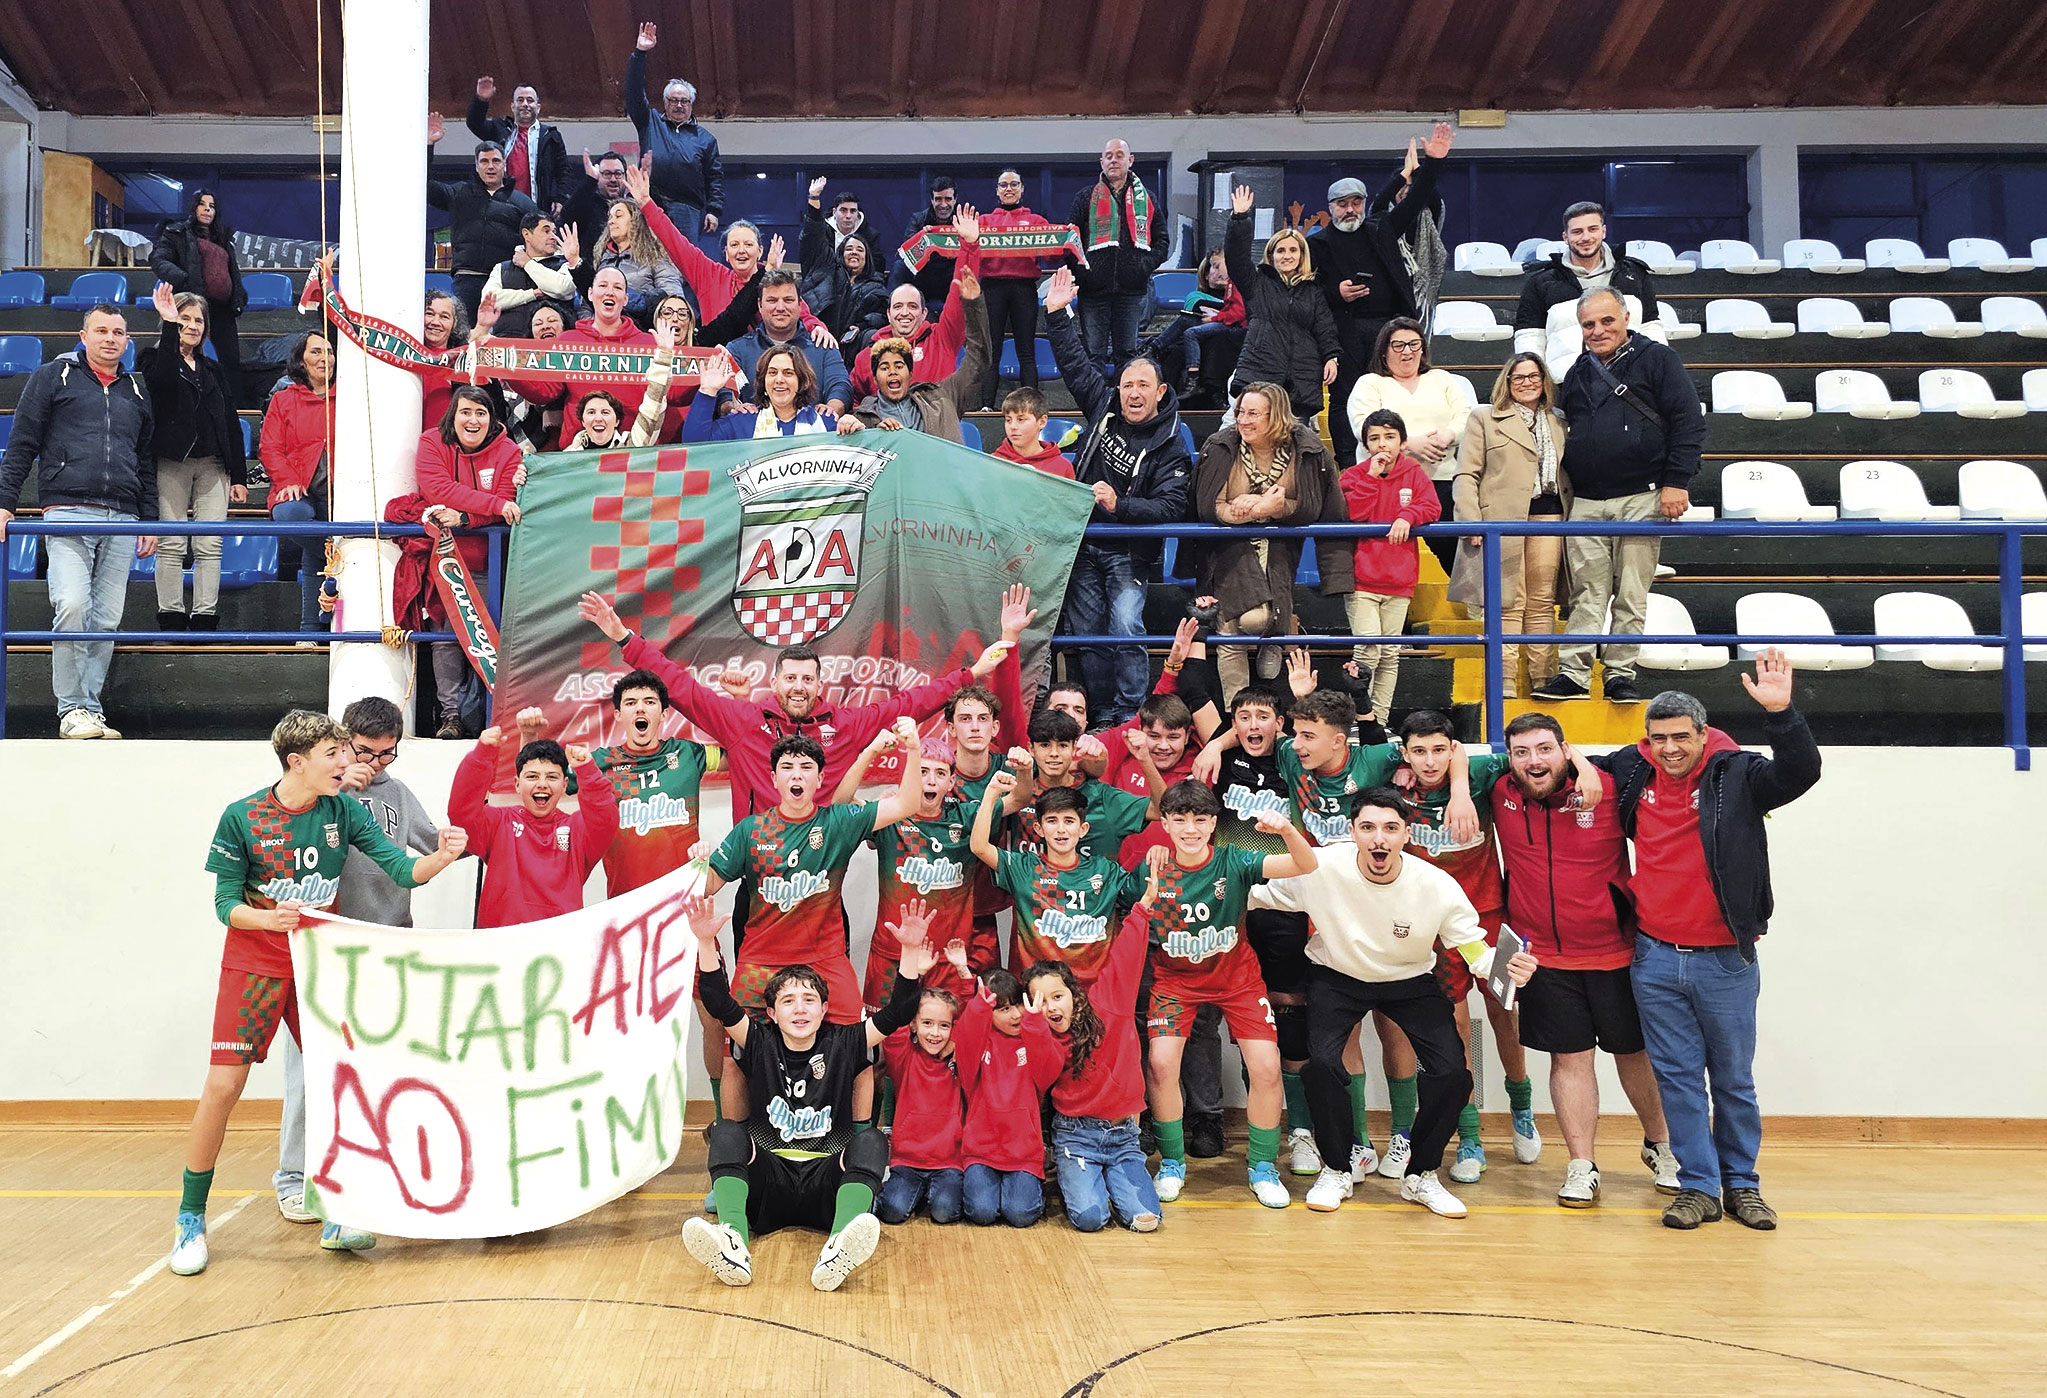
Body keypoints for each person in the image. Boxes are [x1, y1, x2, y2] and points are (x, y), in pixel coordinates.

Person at [174, 710, 466, 1276]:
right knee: (224, 1084)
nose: (347, 763)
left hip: (316, 965)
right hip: (255, 966)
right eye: (334, 754)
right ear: (297, 762)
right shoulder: (242, 816)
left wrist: (443, 856)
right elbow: (224, 907)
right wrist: (268, 921)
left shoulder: (344, 810)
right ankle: (190, 1218)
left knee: (340, 1082)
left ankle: (338, 1207)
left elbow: (403, 870)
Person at [1586, 654, 1820, 1231]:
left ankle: (1743, 1185)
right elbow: (1566, 764)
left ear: (1702, 733)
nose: (1668, 749)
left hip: (1726, 961)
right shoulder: (1634, 770)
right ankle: (1697, 1186)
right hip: (1655, 959)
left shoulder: (1737, 773)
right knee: (1678, 1079)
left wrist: (1781, 712)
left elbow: (1801, 772)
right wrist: (1573, 758)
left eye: (1679, 738)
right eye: (1658, 738)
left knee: (1734, 1081)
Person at [1253, 786, 1536, 1217]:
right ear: (1352, 832)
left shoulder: (1436, 885)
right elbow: (1249, 889)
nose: (1378, 839)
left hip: (1410, 980)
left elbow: (1475, 951)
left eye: (1390, 828)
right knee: (1323, 1066)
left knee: (1452, 1073)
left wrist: (1510, 969)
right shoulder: (1321, 866)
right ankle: (1337, 1168)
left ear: (1407, 834)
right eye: (1367, 828)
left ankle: (1421, 1175)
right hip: (1335, 977)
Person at [577, 589, 1016, 820]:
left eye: (808, 679)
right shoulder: (743, 721)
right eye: (791, 679)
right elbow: (680, 685)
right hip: (758, 869)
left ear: (820, 684)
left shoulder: (846, 725)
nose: (799, 687)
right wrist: (623, 638)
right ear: (776, 682)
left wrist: (970, 674)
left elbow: (912, 702)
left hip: (824, 868)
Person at [679, 890, 927, 1291]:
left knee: (872, 1144)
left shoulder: (845, 1042)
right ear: (772, 1013)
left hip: (825, 1184)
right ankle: (734, 1241)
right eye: (789, 1001)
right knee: (725, 1132)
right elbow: (717, 1000)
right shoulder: (758, 1041)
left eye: (810, 1000)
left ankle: (838, 1244)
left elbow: (899, 1011)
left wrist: (911, 953)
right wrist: (706, 943)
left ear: (824, 1011)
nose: (800, 1008)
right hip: (770, 1181)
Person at [1493, 712, 1680, 1206]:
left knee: (1635, 1056)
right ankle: (1581, 1164)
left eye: (1545, 749)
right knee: (1568, 1059)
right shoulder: (1499, 792)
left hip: (1618, 952)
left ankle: (1661, 1146)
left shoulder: (1613, 788)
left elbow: (1648, 751)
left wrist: (1585, 765)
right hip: (1542, 959)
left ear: (1565, 749)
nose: (1534, 761)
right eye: (1522, 752)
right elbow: (1441, 761)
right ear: (1509, 759)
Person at [273, 696, 443, 1224]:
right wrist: (341, 787)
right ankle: (295, 1176)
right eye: (366, 751)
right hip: (325, 944)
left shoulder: (399, 793)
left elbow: (431, 847)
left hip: (390, 942)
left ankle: (376, 1165)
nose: (376, 763)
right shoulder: (317, 794)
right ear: (342, 744)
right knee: (309, 1064)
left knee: (388, 1064)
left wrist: (459, 840)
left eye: (389, 754)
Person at [1142, 783, 1320, 1208]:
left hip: (1237, 980)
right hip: (1174, 982)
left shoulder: (1234, 858)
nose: (1190, 829)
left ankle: (1262, 1167)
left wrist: (1286, 830)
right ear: (1164, 824)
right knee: (1161, 1063)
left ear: (1213, 824)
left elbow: (1306, 864)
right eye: (1180, 820)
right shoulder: (1152, 870)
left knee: (1266, 1067)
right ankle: (1171, 1163)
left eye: (1200, 819)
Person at [1533, 288, 1704, 704]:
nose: (1598, 330)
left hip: (1643, 496)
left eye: (1607, 321)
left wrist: (1676, 482)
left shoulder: (1659, 360)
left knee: (1630, 591)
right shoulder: (1578, 371)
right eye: (1589, 324)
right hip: (1588, 499)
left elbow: (1688, 422)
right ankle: (1574, 674)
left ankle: (1619, 674)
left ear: (1626, 317)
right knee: (1585, 592)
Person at [694, 726, 927, 1026]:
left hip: (827, 961)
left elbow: (906, 804)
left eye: (806, 767)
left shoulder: (839, 822)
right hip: (760, 961)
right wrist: (696, 862)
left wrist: (913, 749)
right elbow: (707, 885)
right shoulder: (750, 830)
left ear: (819, 779)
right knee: (736, 1060)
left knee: (858, 1053)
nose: (796, 775)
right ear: (773, 779)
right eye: (787, 767)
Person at [1043, 265, 1193, 726]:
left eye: (1142, 385)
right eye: (1127, 384)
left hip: (1128, 550)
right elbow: (1074, 364)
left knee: (1126, 627)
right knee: (1087, 633)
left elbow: (1171, 506)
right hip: (1084, 544)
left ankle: (1130, 711)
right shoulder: (1104, 406)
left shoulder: (1172, 442)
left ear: (1160, 391)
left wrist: (1118, 505)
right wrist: (1056, 314)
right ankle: (1102, 710)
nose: (1132, 392)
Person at [0, 303, 155, 738]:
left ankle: (91, 708)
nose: (110, 338)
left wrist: (150, 517)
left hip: (123, 516)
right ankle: (71, 711)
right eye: (101, 330)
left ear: (128, 341)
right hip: (66, 511)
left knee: (106, 619)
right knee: (72, 606)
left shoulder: (137, 391)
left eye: (118, 332)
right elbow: (22, 443)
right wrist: (4, 501)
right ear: (82, 336)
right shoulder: (52, 377)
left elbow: (143, 460)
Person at [1189, 382, 1353, 703]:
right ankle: (1236, 711)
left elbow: (1317, 505)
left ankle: (1278, 630)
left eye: (1253, 413)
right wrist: (1249, 512)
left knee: (1256, 619)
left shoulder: (1306, 449)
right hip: (1228, 551)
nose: (1243, 420)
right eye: (1240, 412)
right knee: (1229, 633)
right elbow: (1205, 504)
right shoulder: (1220, 445)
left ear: (1275, 416)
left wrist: (1275, 508)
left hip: (1279, 549)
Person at [1025, 872, 1166, 1232]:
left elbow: (1126, 957)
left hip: (1122, 1136)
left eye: (1057, 996)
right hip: (1075, 1137)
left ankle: (1117, 1175)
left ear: (1074, 995)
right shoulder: (1041, 1036)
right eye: (1040, 1001)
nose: (1050, 1007)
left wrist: (1144, 907)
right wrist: (1035, 1027)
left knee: (1145, 1219)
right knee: (1090, 1219)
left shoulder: (1109, 1006)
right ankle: (1087, 1181)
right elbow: (1041, 1076)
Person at [1312, 124, 1454, 466]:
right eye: (1342, 204)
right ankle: (1348, 462)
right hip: (1343, 329)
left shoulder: (1382, 228)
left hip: (1388, 327)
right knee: (1345, 397)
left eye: (1355, 202)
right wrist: (1338, 292)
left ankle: (1397, 453)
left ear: (1364, 204)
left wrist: (1431, 164)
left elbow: (1416, 199)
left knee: (1391, 393)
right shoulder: (1316, 243)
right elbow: (1312, 291)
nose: (1350, 209)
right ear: (1330, 207)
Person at [409, 386, 524, 735]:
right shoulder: (431, 443)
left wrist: (464, 518)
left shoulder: (509, 451)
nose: (472, 420)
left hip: (492, 563)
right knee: (446, 638)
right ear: (452, 416)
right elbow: (437, 489)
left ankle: (491, 716)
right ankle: (450, 716)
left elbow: (507, 504)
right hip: (445, 560)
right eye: (465, 412)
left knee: (492, 639)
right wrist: (488, 506)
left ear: (492, 419)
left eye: (481, 413)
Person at [1455, 354, 1569, 697]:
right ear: (1506, 382)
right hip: (1501, 520)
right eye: (1517, 378)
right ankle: (1503, 680)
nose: (1526, 383)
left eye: (1533, 376)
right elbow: (1466, 475)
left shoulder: (1559, 421)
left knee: (1542, 600)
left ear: (1544, 381)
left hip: (1550, 516)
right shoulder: (1484, 418)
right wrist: (1469, 522)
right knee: (1507, 601)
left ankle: (1542, 678)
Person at [448, 712, 618, 927]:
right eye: (532, 776)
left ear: (565, 785)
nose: (542, 784)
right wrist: (482, 755)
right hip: (500, 945)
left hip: (559, 946)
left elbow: (605, 819)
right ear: (517, 784)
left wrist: (588, 772)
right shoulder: (499, 822)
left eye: (552, 777)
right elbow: (461, 812)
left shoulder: (576, 828)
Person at [141, 283, 246, 633]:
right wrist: (169, 325)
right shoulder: (154, 358)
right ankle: (170, 616)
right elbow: (165, 381)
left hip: (214, 464)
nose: (193, 325)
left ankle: (204, 617)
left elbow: (230, 420)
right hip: (172, 461)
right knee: (171, 542)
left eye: (198, 320)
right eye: (185, 318)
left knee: (209, 543)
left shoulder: (213, 369)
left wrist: (241, 475)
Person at [1346, 317, 1477, 567]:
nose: (1407, 352)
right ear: (1384, 351)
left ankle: (1477, 606)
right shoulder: (1369, 383)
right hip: (1386, 482)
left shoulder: (1442, 379)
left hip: (1441, 480)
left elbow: (1465, 415)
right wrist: (1409, 444)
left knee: (1456, 555)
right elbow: (1363, 426)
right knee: (1383, 555)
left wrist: (1448, 434)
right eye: (1398, 345)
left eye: (1414, 344)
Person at [1340, 408, 1441, 726]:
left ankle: (1377, 723)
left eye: (1389, 437)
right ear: (1366, 445)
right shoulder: (1353, 476)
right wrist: (1371, 476)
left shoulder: (1414, 472)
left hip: (1399, 580)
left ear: (1403, 441)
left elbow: (1432, 506)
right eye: (1374, 438)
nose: (1382, 444)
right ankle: (1357, 718)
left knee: (1389, 654)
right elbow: (1354, 513)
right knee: (1368, 649)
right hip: (1362, 580)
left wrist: (1406, 515)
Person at [951, 965, 1064, 1226]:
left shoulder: (1034, 1036)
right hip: (981, 1152)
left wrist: (1035, 1022)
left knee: (1020, 1215)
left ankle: (1026, 1191)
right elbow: (967, 1034)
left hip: (1023, 1153)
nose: (1015, 1015)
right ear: (987, 1014)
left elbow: (1049, 1070)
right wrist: (978, 1007)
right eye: (1003, 1009)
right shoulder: (977, 1044)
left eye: (1018, 1005)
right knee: (981, 1213)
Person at [1223, 186, 1339, 427]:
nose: (1287, 255)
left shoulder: (1314, 290)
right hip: (1260, 374)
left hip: (1302, 381)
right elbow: (1235, 258)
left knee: (1294, 450)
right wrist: (1240, 219)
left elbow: (1325, 328)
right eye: (1281, 250)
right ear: (1271, 254)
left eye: (1293, 250)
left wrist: (1331, 357)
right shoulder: (1256, 282)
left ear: (1302, 255)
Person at [847, 267, 991, 446]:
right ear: (874, 378)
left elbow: (979, 359)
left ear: (910, 372)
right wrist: (867, 430)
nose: (892, 372)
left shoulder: (942, 396)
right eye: (884, 368)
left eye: (899, 366)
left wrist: (973, 304)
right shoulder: (865, 416)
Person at [425, 112, 540, 318]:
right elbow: (424, 187)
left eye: (496, 161)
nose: (490, 166)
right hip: (466, 280)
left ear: (504, 165)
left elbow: (542, 238)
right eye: (484, 161)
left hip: (506, 282)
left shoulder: (522, 202)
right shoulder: (460, 193)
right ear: (476, 166)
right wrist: (428, 146)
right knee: (464, 337)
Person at [1068, 138, 1169, 371]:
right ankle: (1096, 408)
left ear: (1130, 160)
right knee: (1094, 356)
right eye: (1109, 155)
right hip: (1092, 292)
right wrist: (1084, 272)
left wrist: (1142, 267)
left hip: (1131, 293)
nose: (1114, 160)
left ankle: (1123, 407)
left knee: (1127, 356)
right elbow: (1070, 241)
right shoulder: (1084, 197)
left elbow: (1162, 241)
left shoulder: (1149, 199)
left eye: (1120, 155)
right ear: (1101, 161)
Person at [258, 332, 333, 637]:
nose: (324, 358)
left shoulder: (350, 395)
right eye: (316, 351)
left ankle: (310, 631)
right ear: (301, 359)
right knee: (294, 518)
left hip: (339, 491)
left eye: (329, 351)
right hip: (297, 488)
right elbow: (270, 447)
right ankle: (338, 558)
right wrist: (287, 480)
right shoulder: (284, 398)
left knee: (315, 547)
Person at [1514, 201, 1661, 355]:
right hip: (1565, 378)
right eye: (1577, 231)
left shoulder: (1634, 274)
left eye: (1592, 229)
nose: (1586, 237)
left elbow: (1650, 327)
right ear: (1565, 237)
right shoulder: (1540, 282)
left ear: (1603, 232)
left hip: (1631, 377)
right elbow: (1529, 338)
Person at [875, 982, 967, 1226]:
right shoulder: (904, 1057)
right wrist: (917, 976)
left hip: (948, 1162)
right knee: (892, 1212)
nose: (935, 1033)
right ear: (913, 1024)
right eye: (927, 1023)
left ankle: (932, 1195)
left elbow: (973, 1023)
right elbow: (895, 1023)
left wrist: (964, 978)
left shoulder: (961, 1060)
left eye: (944, 1026)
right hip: (908, 1161)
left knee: (944, 1212)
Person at [847, 241, 983, 402]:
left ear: (924, 313)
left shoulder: (942, 340)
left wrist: (969, 245)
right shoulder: (867, 356)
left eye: (912, 306)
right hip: (886, 425)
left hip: (936, 425)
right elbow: (855, 402)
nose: (905, 313)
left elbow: (958, 294)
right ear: (888, 314)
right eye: (898, 306)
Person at [625, 22, 723, 241]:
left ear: (691, 104)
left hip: (687, 209)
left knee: (683, 266)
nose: (679, 105)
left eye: (684, 101)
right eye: (673, 100)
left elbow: (714, 178)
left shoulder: (707, 140)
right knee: (646, 259)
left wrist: (714, 210)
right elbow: (633, 93)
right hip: (650, 203)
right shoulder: (649, 121)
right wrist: (640, 54)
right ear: (665, 102)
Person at [148, 189, 246, 398]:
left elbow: (233, 273)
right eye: (202, 204)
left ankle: (234, 405)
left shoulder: (224, 240)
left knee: (231, 361)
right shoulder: (177, 233)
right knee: (181, 351)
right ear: (193, 207)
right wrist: (183, 279)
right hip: (192, 305)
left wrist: (238, 297)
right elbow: (158, 260)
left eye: (212, 206)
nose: (207, 209)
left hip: (223, 309)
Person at [978, 168, 1057, 408]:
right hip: (992, 288)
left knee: (1026, 350)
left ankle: (1031, 406)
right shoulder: (984, 221)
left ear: (1022, 189)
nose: (1009, 188)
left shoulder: (1036, 222)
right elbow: (968, 252)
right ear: (997, 191)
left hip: (1024, 288)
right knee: (992, 351)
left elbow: (1053, 257)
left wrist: (1068, 236)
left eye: (1014, 184)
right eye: (1004, 185)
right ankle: (986, 405)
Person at [724, 269, 854, 416]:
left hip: (814, 436)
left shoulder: (824, 347)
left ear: (800, 304)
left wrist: (832, 408)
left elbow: (841, 385)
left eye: (788, 300)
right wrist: (731, 407)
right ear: (760, 305)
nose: (780, 308)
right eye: (772, 300)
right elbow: (724, 392)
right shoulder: (736, 350)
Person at [564, 318, 678, 450]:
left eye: (605, 412)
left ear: (617, 421)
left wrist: (664, 355)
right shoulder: (568, 457)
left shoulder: (632, 446)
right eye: (591, 412)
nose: (598, 418)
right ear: (583, 421)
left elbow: (652, 407)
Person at [1152, 248, 1245, 407]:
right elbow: (1196, 311)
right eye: (1214, 268)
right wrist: (1227, 314)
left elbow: (1242, 313)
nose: (1221, 271)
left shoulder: (1239, 294)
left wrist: (1218, 315)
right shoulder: (1195, 296)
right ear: (1206, 275)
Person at [685, 344, 838, 440]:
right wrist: (707, 391)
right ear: (763, 382)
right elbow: (694, 444)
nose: (779, 379)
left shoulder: (826, 423)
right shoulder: (742, 421)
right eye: (772, 373)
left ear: (802, 382)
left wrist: (852, 427)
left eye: (788, 373)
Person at [466, 74, 568, 216]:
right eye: (520, 100)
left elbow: (563, 171)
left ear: (538, 107)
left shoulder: (551, 136)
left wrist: (560, 198)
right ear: (512, 106)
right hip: (502, 207)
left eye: (530, 100)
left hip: (537, 207)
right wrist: (481, 100)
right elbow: (474, 124)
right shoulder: (499, 129)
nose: (525, 104)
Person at [582, 197, 687, 323]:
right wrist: (591, 327)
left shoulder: (656, 257)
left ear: (636, 222)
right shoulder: (602, 260)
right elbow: (586, 304)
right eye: (610, 217)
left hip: (640, 333)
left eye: (618, 216)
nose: (611, 221)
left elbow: (673, 301)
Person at [482, 211, 581, 339]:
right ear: (527, 234)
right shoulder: (502, 268)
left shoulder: (566, 264)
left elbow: (563, 288)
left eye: (554, 232)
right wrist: (532, 294)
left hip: (554, 350)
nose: (553, 237)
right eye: (546, 231)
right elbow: (488, 301)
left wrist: (528, 264)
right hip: (508, 347)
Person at [801, 225, 890, 357]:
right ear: (841, 254)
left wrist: (861, 325)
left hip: (853, 347)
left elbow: (882, 316)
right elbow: (813, 240)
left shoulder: (877, 286)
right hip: (818, 337)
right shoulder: (827, 272)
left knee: (872, 336)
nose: (854, 252)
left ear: (867, 257)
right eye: (849, 249)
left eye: (860, 250)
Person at [897, 175, 962, 313]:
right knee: (899, 266)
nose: (943, 204)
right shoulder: (918, 219)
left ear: (955, 200)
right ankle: (893, 311)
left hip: (951, 277)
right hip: (925, 276)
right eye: (938, 199)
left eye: (948, 199)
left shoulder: (964, 221)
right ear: (932, 200)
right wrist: (921, 238)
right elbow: (905, 254)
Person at [559, 149, 634, 263]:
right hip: (593, 271)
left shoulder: (633, 206)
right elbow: (567, 217)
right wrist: (590, 181)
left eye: (618, 174)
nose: (613, 179)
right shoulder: (586, 202)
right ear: (598, 177)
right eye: (607, 174)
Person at [799, 179, 886, 275]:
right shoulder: (822, 231)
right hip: (826, 280)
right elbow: (810, 232)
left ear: (858, 214)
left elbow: (877, 267)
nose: (848, 216)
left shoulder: (871, 236)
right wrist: (814, 197)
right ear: (834, 212)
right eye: (843, 210)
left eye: (853, 211)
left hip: (859, 282)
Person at [993, 386, 1075, 478]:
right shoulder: (993, 463)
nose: (1013, 427)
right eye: (1008, 420)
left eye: (1020, 419)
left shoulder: (1062, 467)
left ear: (1042, 422)